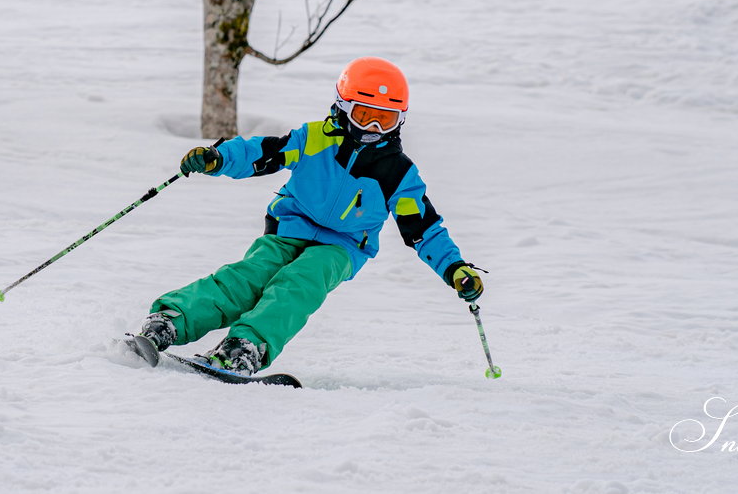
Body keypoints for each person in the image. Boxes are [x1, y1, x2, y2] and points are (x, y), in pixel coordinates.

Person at [134, 56, 484, 376]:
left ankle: (245, 347)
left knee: (301, 282)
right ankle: (172, 321)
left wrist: (455, 268)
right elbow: (262, 153)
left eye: (385, 119)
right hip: (289, 228)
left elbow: (423, 228)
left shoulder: (398, 173)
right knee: (248, 277)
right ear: (344, 107)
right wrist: (218, 157)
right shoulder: (314, 138)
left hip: (343, 246)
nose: (374, 127)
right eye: (365, 115)